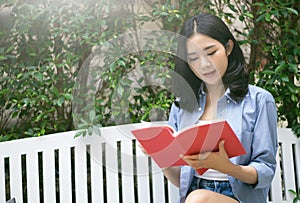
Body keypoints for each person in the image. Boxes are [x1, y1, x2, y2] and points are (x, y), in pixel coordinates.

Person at [162, 13, 278, 203]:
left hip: (239, 198)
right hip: (194, 196)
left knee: (198, 199)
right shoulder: (183, 105)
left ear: (228, 48)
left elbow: (265, 172)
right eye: (194, 58)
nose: (204, 64)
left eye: (211, 52)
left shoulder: (259, 101)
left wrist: (226, 167)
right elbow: (180, 181)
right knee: (196, 198)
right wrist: (162, 156)